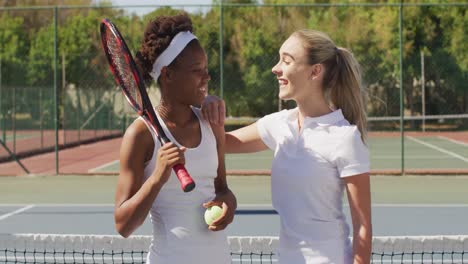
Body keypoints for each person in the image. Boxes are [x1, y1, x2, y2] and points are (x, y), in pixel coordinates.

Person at [202, 29, 372, 264]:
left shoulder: (345, 138)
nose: (275, 68)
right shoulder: (280, 124)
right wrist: (206, 105)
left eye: (287, 60)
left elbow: (363, 226)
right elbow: (223, 142)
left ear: (315, 71)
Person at [114, 13, 236, 264]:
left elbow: (223, 189)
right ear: (168, 75)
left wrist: (228, 207)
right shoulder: (139, 135)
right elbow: (123, 225)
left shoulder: (212, 122)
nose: (207, 77)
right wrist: (158, 177)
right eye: (197, 70)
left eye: (206, 69)